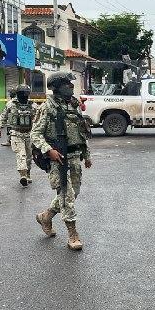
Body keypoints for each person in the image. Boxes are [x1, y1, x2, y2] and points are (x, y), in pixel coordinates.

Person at [32, 72, 92, 251]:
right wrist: (48, 150)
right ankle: (73, 235)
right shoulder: (47, 107)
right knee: (67, 197)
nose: (71, 86)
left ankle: (46, 216)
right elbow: (35, 134)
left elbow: (82, 132)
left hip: (75, 157)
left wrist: (86, 155)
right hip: (58, 159)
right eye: (67, 84)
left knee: (74, 194)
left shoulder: (73, 105)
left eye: (71, 84)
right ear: (56, 87)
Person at [0, 84, 36, 186]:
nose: (24, 96)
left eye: (25, 94)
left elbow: (40, 119)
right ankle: (23, 175)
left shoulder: (33, 105)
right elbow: (3, 116)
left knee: (29, 156)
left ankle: (28, 173)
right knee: (21, 154)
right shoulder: (11, 104)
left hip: (29, 134)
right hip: (16, 134)